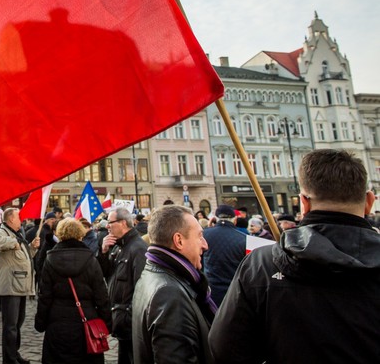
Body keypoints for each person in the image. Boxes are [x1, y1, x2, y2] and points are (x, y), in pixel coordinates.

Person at [209, 150, 380, 363]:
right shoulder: (264, 263)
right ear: (369, 201)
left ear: (304, 203)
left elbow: (224, 348)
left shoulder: (262, 265)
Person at [132, 205, 216, 363]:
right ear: (179, 240)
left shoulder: (153, 274)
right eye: (199, 236)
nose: (205, 245)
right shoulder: (169, 294)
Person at [34, 218, 111, 364]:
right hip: (86, 321)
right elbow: (101, 295)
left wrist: (40, 322)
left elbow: (44, 296)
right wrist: (106, 323)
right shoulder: (90, 259)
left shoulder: (50, 260)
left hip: (57, 322)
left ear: (60, 234)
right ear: (80, 234)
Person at [97, 207, 147, 364]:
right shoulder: (118, 246)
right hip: (121, 320)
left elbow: (142, 289)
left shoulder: (138, 248)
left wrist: (129, 317)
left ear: (123, 223)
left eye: (111, 222)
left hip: (130, 321)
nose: (107, 226)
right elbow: (105, 274)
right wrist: (103, 251)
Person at [0, 207, 40, 364]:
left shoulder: (17, 234)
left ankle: (14, 353)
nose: (22, 220)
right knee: (10, 326)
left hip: (19, 286)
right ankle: (9, 359)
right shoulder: (2, 233)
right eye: (19, 217)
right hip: (11, 287)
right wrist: (13, 243)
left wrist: (32, 247)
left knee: (17, 324)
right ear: (10, 219)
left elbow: (24, 258)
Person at [201, 204, 246, 306]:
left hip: (210, 292)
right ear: (235, 220)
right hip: (235, 293)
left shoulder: (204, 235)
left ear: (214, 219)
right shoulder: (244, 238)